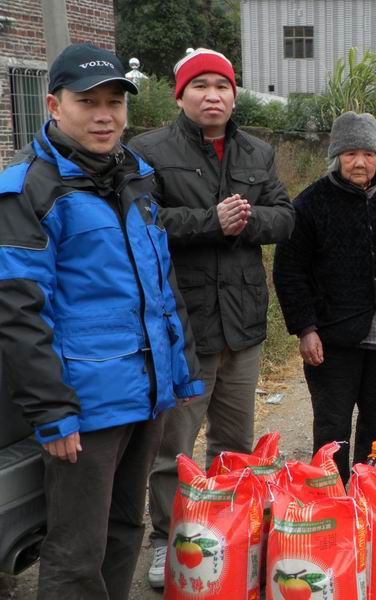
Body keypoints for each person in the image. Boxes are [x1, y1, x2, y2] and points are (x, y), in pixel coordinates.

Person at [0, 43, 203, 599]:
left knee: (125, 530)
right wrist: (53, 411)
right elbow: (19, 312)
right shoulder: (29, 189)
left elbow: (161, 283)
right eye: (88, 102)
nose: (105, 114)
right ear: (53, 104)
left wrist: (180, 371)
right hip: (85, 404)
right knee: (75, 549)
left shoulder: (134, 175)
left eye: (115, 101)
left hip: (147, 391)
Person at [129, 47, 294, 588]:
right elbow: (141, 219)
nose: (212, 96)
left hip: (243, 323)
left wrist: (245, 223)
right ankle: (167, 541)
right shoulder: (148, 150)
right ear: (181, 95)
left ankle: (227, 533)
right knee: (172, 447)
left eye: (221, 86)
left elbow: (284, 216)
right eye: (199, 86)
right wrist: (209, 220)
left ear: (233, 93)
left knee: (233, 443)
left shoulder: (256, 152)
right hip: (184, 325)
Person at [273, 112, 376, 484]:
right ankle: (330, 496)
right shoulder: (311, 204)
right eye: (350, 154)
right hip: (331, 339)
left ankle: (366, 488)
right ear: (336, 157)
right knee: (333, 423)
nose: (360, 162)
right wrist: (305, 328)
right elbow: (289, 271)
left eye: (368, 154)